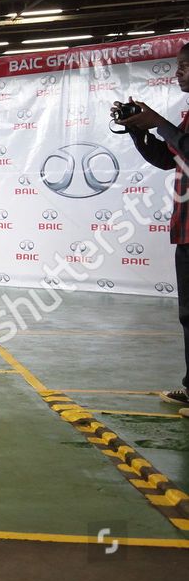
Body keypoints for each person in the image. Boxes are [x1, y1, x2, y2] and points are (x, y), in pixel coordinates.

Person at [120, 42, 189, 412]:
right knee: (188, 315)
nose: (178, 72)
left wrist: (159, 123)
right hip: (186, 231)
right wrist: (138, 131)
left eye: (185, 66)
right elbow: (168, 159)